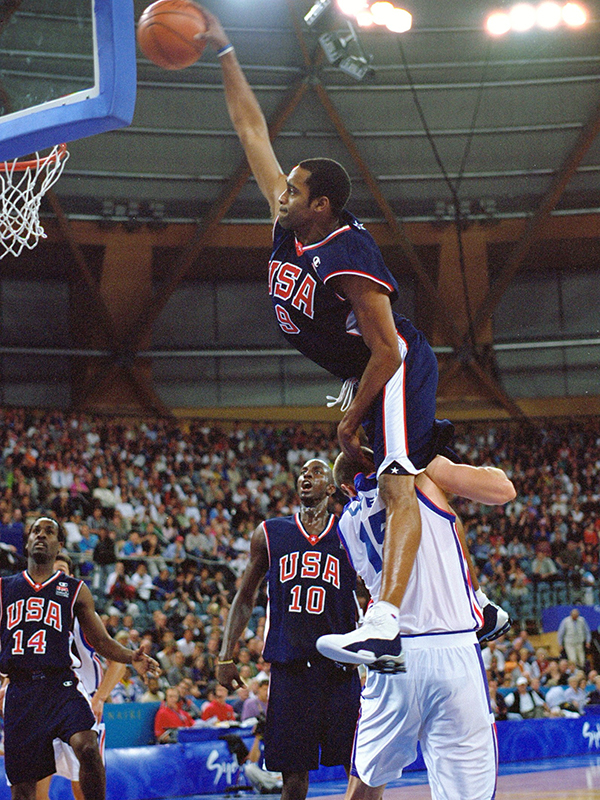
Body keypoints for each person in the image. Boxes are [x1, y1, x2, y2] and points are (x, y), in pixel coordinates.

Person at [200, 6, 456, 670]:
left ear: (322, 205)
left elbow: (389, 350)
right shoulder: (291, 223)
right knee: (359, 482)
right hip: (361, 368)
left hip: (396, 364)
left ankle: (384, 621)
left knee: (397, 480)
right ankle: (469, 602)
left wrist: (349, 419)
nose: (279, 192)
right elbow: (250, 129)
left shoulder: (350, 254)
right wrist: (224, 51)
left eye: (294, 189)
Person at [317, 450, 516, 800]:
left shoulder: (347, 523)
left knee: (365, 777)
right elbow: (489, 498)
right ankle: (481, 603)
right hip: (451, 641)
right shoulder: (421, 480)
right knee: (467, 790)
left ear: (348, 488)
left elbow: (369, 579)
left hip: (391, 651)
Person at [216, 459, 360, 800]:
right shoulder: (270, 532)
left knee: (359, 767)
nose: (305, 476)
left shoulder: (350, 532)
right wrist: (225, 655)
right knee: (293, 780)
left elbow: (379, 590)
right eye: (302, 472)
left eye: (316, 472)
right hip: (291, 669)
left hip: (340, 669)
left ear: (331, 487)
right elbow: (245, 596)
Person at [0, 516, 158, 800]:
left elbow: (100, 641)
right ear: (26, 542)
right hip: (21, 690)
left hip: (60, 685)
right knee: (24, 790)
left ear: (59, 545)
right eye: (36, 530)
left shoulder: (75, 590)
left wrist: (130, 657)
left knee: (87, 746)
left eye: (49, 532)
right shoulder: (4, 588)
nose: (41, 535)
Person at [36, 551, 127, 800]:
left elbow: (119, 661)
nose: (56, 577)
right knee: (35, 789)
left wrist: (99, 698)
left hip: (80, 708)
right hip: (43, 708)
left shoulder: (83, 616)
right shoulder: (32, 619)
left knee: (85, 791)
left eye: (61, 571)